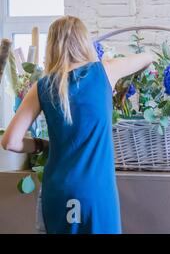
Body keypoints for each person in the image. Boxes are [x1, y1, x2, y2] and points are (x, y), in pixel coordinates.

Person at [0, 16, 154, 234]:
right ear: (84, 42)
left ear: (52, 45)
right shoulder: (105, 71)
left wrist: (41, 145)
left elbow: (10, 141)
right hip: (96, 191)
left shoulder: (42, 86)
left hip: (57, 191)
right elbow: (148, 58)